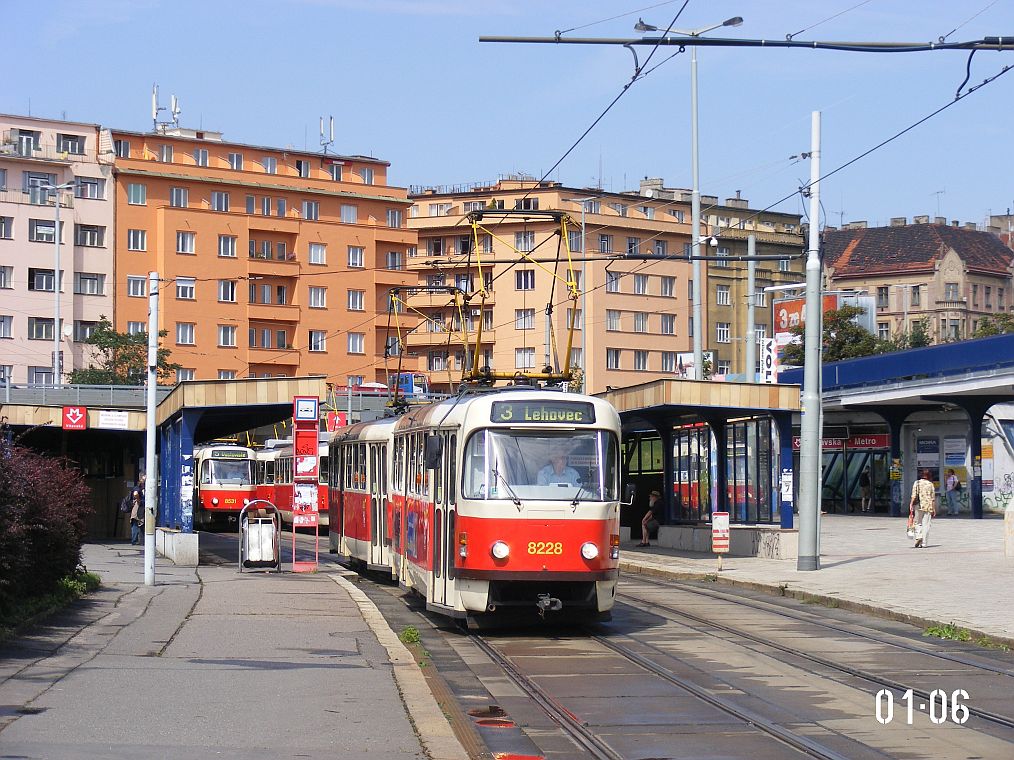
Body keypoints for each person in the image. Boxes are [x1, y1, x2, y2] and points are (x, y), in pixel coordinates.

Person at [909, 469, 936, 548]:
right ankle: (924, 543)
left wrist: (911, 504)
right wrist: (934, 509)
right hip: (928, 506)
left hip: (918, 505)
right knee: (926, 525)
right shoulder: (930, 484)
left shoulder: (916, 483)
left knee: (917, 522)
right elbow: (933, 498)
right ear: (928, 475)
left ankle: (919, 536)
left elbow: (913, 495)